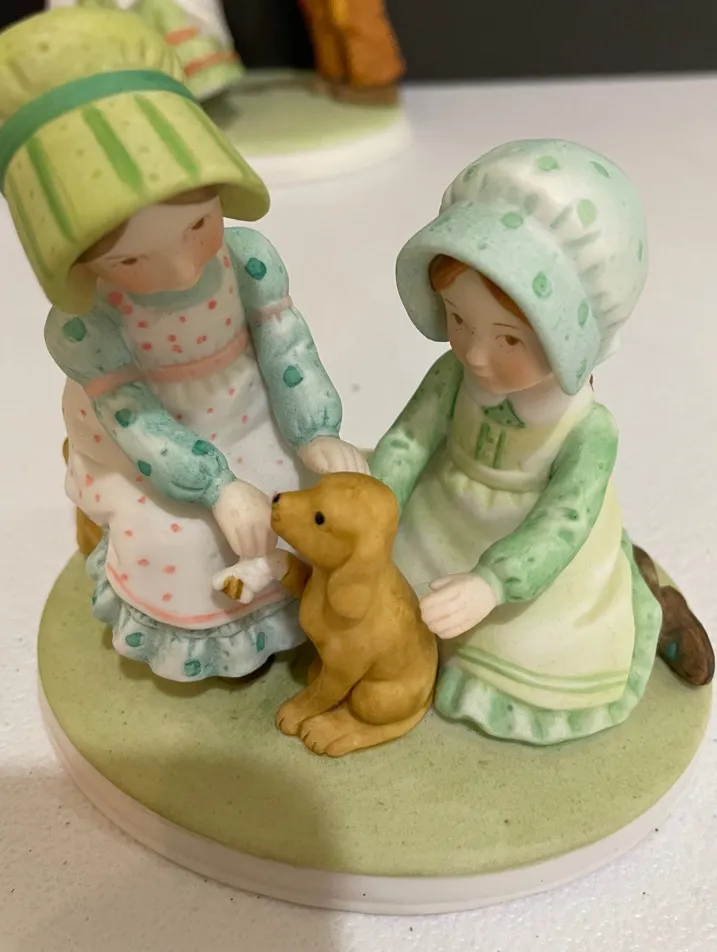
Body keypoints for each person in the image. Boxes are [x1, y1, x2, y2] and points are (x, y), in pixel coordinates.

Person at [0, 7, 367, 681]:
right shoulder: (88, 326)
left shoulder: (247, 260)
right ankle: (212, 639)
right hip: (156, 451)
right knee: (186, 544)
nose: (180, 270)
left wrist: (314, 430)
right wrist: (217, 488)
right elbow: (134, 420)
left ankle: (307, 606)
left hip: (254, 412)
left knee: (314, 496)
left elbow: (286, 348)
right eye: (129, 261)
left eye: (199, 226)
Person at [371, 138, 712, 745]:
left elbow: (563, 520)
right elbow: (409, 440)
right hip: (442, 514)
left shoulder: (587, 429)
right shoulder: (452, 375)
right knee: (378, 604)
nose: (475, 355)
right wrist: (373, 505)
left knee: (530, 655)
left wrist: (492, 583)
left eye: (509, 339)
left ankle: (653, 605)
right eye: (458, 319)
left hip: (529, 552)